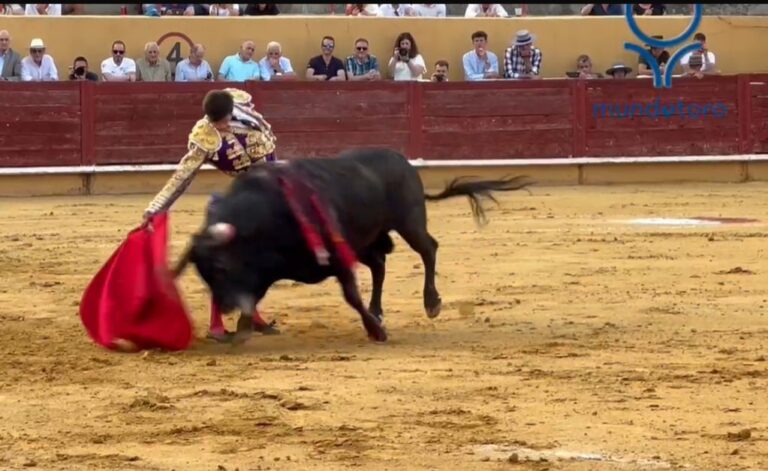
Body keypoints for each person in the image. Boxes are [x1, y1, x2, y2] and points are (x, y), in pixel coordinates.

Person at [142, 87, 280, 342]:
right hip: (245, 195)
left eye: (224, 121)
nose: (222, 126)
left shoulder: (240, 103)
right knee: (228, 258)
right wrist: (155, 207)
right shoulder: (204, 136)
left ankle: (253, 315)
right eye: (216, 122)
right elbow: (181, 176)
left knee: (265, 258)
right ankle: (216, 324)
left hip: (270, 190)